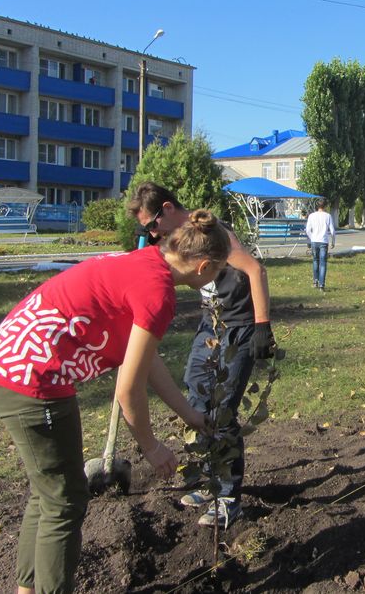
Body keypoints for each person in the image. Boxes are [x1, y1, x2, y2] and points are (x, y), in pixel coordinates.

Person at [0, 211, 229, 594]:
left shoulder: (144, 260)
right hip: (32, 379)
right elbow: (128, 390)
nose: (216, 280)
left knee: (48, 492)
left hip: (2, 364)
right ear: (204, 266)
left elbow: (145, 362)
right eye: (218, 273)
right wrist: (152, 447)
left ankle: (26, 590)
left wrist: (191, 416)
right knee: (65, 501)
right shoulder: (158, 293)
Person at [128, 183, 275, 529]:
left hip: (238, 327)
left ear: (166, 208)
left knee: (222, 409)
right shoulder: (176, 239)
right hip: (210, 326)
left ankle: (227, 498)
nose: (151, 233)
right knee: (196, 395)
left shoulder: (211, 233)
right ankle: (210, 480)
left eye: (151, 224)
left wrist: (262, 326)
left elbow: (255, 270)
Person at [305, 198, 336, 291]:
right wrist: (333, 241)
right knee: (323, 263)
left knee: (315, 261)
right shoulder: (328, 216)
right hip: (324, 241)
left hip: (314, 241)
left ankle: (315, 281)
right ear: (325, 206)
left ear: (317, 206)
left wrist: (312, 238)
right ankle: (322, 285)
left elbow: (307, 230)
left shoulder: (311, 215)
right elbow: (333, 231)